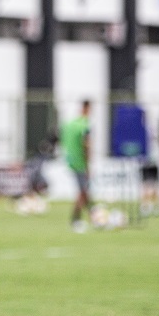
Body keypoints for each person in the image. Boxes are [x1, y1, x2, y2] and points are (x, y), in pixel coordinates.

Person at [61, 99, 92, 233]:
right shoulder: (84, 125)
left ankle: (92, 214)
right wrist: (87, 164)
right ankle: (75, 219)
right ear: (87, 108)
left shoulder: (70, 124)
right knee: (82, 191)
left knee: (84, 190)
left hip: (71, 160)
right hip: (80, 162)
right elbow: (86, 145)